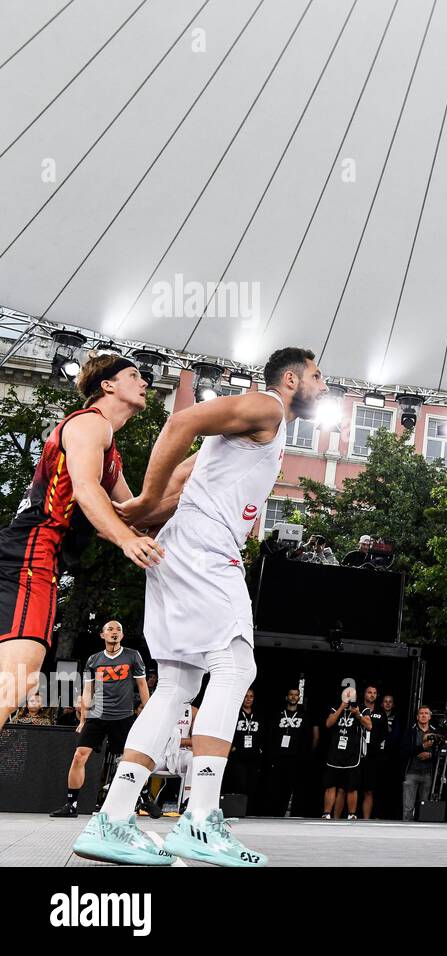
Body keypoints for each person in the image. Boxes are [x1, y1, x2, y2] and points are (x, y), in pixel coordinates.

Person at [73, 346, 326, 866]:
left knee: (178, 687)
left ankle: (113, 817)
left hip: (179, 544)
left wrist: (139, 519)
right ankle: (200, 820)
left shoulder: (255, 434)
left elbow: (185, 484)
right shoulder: (269, 406)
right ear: (292, 379)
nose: (324, 388)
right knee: (236, 666)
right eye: (318, 377)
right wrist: (142, 500)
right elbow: (184, 420)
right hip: (206, 547)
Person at [0, 354, 157, 733]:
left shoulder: (110, 449)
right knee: (16, 679)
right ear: (108, 385)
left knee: (13, 677)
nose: (145, 383)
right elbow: (88, 490)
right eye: (134, 376)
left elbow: (133, 515)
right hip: (31, 554)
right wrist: (124, 540)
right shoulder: (90, 425)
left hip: (28, 555)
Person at [51, 620, 149, 818]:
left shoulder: (133, 656)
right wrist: (82, 720)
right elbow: (88, 690)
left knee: (130, 760)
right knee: (79, 756)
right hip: (97, 715)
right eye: (110, 629)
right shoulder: (93, 659)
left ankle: (144, 798)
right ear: (102, 635)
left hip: (123, 716)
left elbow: (142, 685)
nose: (115, 632)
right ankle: (71, 804)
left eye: (118, 630)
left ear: (122, 636)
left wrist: (147, 714)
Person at [322, 687, 370, 820]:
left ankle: (352, 814)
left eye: (351, 695)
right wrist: (341, 707)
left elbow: (369, 725)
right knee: (331, 785)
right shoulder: (335, 708)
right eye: (346, 694)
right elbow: (328, 723)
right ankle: (326, 813)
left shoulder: (362, 709)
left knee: (351, 787)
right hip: (335, 754)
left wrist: (358, 714)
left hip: (352, 755)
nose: (349, 697)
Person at [266, 687, 313, 817]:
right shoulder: (278, 714)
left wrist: (306, 755)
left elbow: (309, 737)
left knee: (293, 787)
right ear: (287, 697)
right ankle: (275, 813)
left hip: (296, 758)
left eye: (296, 695)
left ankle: (292, 814)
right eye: (291, 695)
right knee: (276, 787)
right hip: (279, 757)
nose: (293, 697)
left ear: (299, 698)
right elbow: (271, 735)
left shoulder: (305, 716)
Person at [225, 689, 263, 806]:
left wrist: (260, 748)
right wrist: (232, 747)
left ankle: (249, 810)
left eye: (251, 696)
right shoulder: (235, 713)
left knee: (252, 784)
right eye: (246, 696)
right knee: (239, 783)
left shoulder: (258, 715)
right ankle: (237, 808)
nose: (248, 699)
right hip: (238, 755)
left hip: (253, 755)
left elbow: (263, 733)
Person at [402, 705, 438, 821]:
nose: (423, 715)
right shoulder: (410, 731)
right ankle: (405, 833)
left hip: (428, 773)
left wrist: (431, 755)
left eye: (426, 713)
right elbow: (403, 751)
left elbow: (442, 752)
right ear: (417, 717)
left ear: (430, 717)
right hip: (411, 772)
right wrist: (422, 746)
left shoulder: (435, 731)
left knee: (425, 807)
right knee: (408, 807)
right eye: (421, 713)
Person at [359, 685, 387, 820]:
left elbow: (384, 734)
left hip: (373, 756)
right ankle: (349, 816)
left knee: (369, 790)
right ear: (364, 694)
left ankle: (365, 820)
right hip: (355, 754)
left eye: (374, 693)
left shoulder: (381, 713)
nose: (372, 695)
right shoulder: (357, 709)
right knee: (350, 788)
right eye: (369, 692)